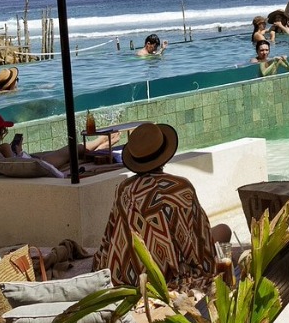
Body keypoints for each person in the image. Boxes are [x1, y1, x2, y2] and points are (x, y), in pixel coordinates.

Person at [93, 122, 231, 286]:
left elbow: (109, 237)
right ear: (164, 155)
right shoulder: (181, 187)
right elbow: (200, 244)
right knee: (224, 231)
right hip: (165, 277)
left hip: (128, 274)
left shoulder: (124, 189)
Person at [0, 111, 114, 171]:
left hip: (31, 161)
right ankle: (101, 140)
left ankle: (102, 145)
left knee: (58, 151)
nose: (3, 134)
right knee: (72, 148)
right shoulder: (4, 147)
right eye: (2, 131)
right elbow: (18, 166)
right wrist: (19, 151)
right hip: (36, 165)